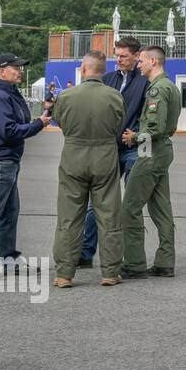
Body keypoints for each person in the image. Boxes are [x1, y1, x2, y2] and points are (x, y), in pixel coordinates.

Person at [0, 53, 51, 278]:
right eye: (16, 67)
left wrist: (36, 121)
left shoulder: (6, 93)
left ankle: (9, 260)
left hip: (5, 161)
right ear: (2, 71)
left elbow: (18, 121)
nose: (20, 71)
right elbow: (10, 130)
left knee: (9, 213)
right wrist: (38, 124)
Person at [51, 51, 126, 287]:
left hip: (74, 156)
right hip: (105, 156)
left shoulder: (66, 96)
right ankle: (110, 272)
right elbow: (118, 124)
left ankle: (64, 273)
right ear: (104, 71)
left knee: (69, 216)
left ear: (83, 69)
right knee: (108, 214)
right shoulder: (114, 96)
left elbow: (60, 121)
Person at [79, 37, 147, 268]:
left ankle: (130, 258)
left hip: (132, 149)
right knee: (95, 204)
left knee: (129, 204)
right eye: (116, 55)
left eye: (123, 56)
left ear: (137, 56)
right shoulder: (107, 79)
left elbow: (148, 115)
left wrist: (136, 133)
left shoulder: (145, 81)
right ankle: (85, 253)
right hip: (107, 149)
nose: (118, 60)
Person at [120, 46, 182, 278]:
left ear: (154, 62)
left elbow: (154, 128)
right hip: (162, 151)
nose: (139, 64)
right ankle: (165, 261)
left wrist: (133, 137)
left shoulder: (157, 90)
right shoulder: (171, 87)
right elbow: (170, 127)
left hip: (150, 151)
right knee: (161, 209)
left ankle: (134, 263)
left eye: (142, 61)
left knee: (129, 207)